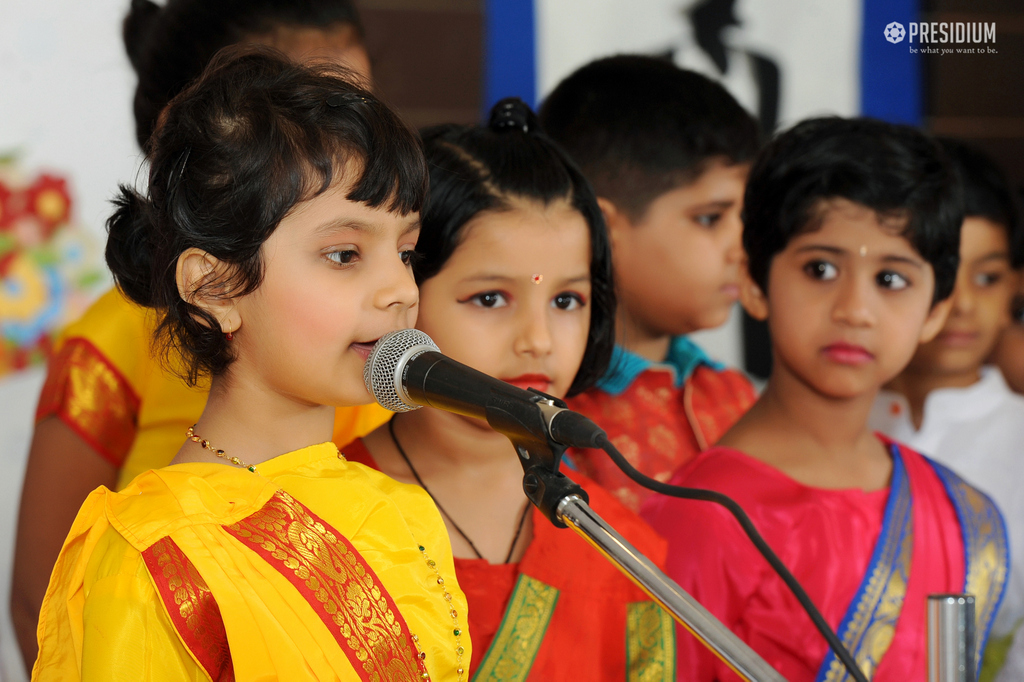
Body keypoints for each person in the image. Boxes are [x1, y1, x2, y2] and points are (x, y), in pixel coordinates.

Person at [32, 48, 471, 681]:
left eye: (405, 251)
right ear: (215, 289)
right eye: (345, 254)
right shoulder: (153, 553)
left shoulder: (402, 512)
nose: (398, 289)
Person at [642, 118, 1009, 681]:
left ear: (935, 308)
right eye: (821, 269)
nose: (854, 309)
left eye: (891, 279)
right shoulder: (703, 515)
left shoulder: (958, 512)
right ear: (754, 282)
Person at [341, 99, 676, 680]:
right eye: (491, 298)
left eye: (566, 300)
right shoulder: (319, 522)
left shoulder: (622, 551)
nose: (539, 340)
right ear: (403, 294)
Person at [538, 55, 761, 512]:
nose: (741, 246)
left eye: (745, 217)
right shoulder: (552, 415)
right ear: (604, 227)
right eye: (710, 218)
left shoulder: (733, 395)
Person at [868, 139, 1024, 675]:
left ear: (1015, 288)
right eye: (946, 272)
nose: (962, 304)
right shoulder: (835, 423)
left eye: (987, 277)